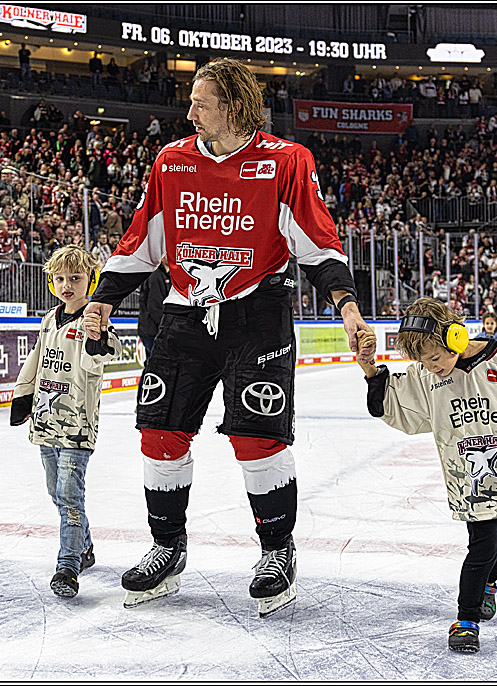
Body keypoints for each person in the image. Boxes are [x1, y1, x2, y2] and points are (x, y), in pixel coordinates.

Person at [82, 57, 375, 617]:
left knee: (257, 438)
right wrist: (102, 299)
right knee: (160, 433)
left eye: (201, 101)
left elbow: (316, 241)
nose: (188, 111)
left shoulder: (287, 161)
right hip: (183, 314)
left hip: (256, 316)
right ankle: (167, 547)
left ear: (234, 107)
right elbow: (143, 240)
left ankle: (277, 551)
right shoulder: (172, 161)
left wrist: (348, 308)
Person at [355, 298, 497, 653]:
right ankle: (466, 620)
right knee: (483, 546)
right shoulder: (426, 375)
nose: (431, 368)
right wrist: (371, 369)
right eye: (423, 362)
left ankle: (488, 585)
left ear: (457, 336)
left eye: (435, 358)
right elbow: (398, 404)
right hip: (468, 479)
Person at [10, 245, 121, 598]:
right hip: (45, 422)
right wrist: (22, 395)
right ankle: (84, 548)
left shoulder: (93, 319)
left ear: (92, 280)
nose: (66, 284)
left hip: (76, 425)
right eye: (59, 278)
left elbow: (110, 348)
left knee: (70, 498)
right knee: (56, 494)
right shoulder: (48, 318)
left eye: (75, 277)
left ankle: (68, 566)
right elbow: (37, 357)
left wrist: (98, 336)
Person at [137, 261, 170, 357]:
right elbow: (155, 306)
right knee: (156, 362)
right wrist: (165, 327)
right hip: (152, 330)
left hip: (155, 330)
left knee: (153, 362)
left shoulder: (165, 275)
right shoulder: (155, 275)